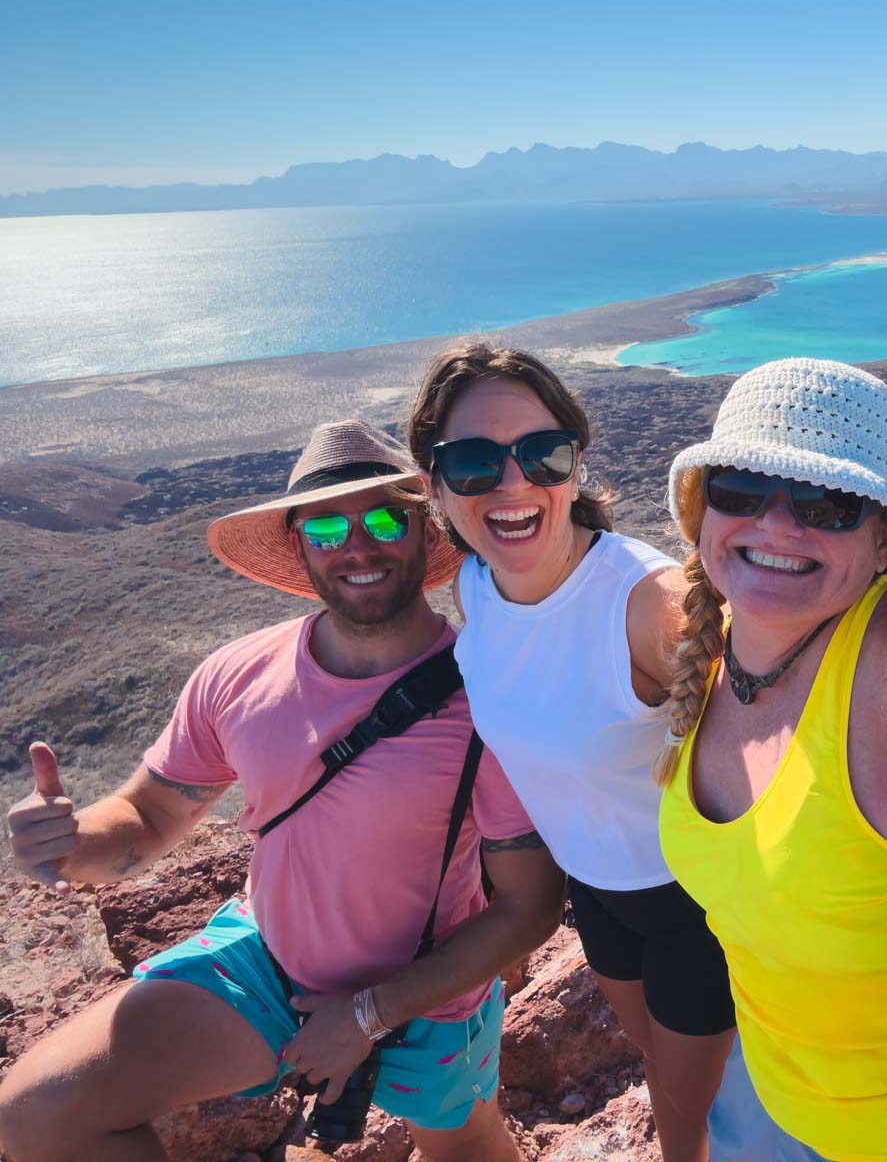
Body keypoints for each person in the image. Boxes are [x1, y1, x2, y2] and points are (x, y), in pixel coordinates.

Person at [0, 420, 566, 1162]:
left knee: (464, 1147)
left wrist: (365, 1016)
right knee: (35, 1116)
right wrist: (74, 846)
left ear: (427, 535)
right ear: (300, 545)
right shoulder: (236, 675)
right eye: (328, 526)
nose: (358, 546)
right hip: (267, 961)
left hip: (426, 993)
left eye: (387, 518)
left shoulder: (485, 698)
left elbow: (532, 907)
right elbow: (150, 813)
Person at [655, 357, 887, 1162]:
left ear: (884, 535)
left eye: (827, 503)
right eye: (742, 490)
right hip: (771, 1107)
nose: (778, 525)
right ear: (701, 512)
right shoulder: (714, 656)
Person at [406, 341, 736, 1162]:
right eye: (476, 462)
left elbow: (779, 752)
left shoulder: (644, 605)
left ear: (576, 467)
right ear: (434, 484)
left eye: (541, 455)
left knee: (686, 1122)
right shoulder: (475, 587)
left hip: (696, 908)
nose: (513, 484)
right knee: (662, 1066)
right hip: (597, 892)